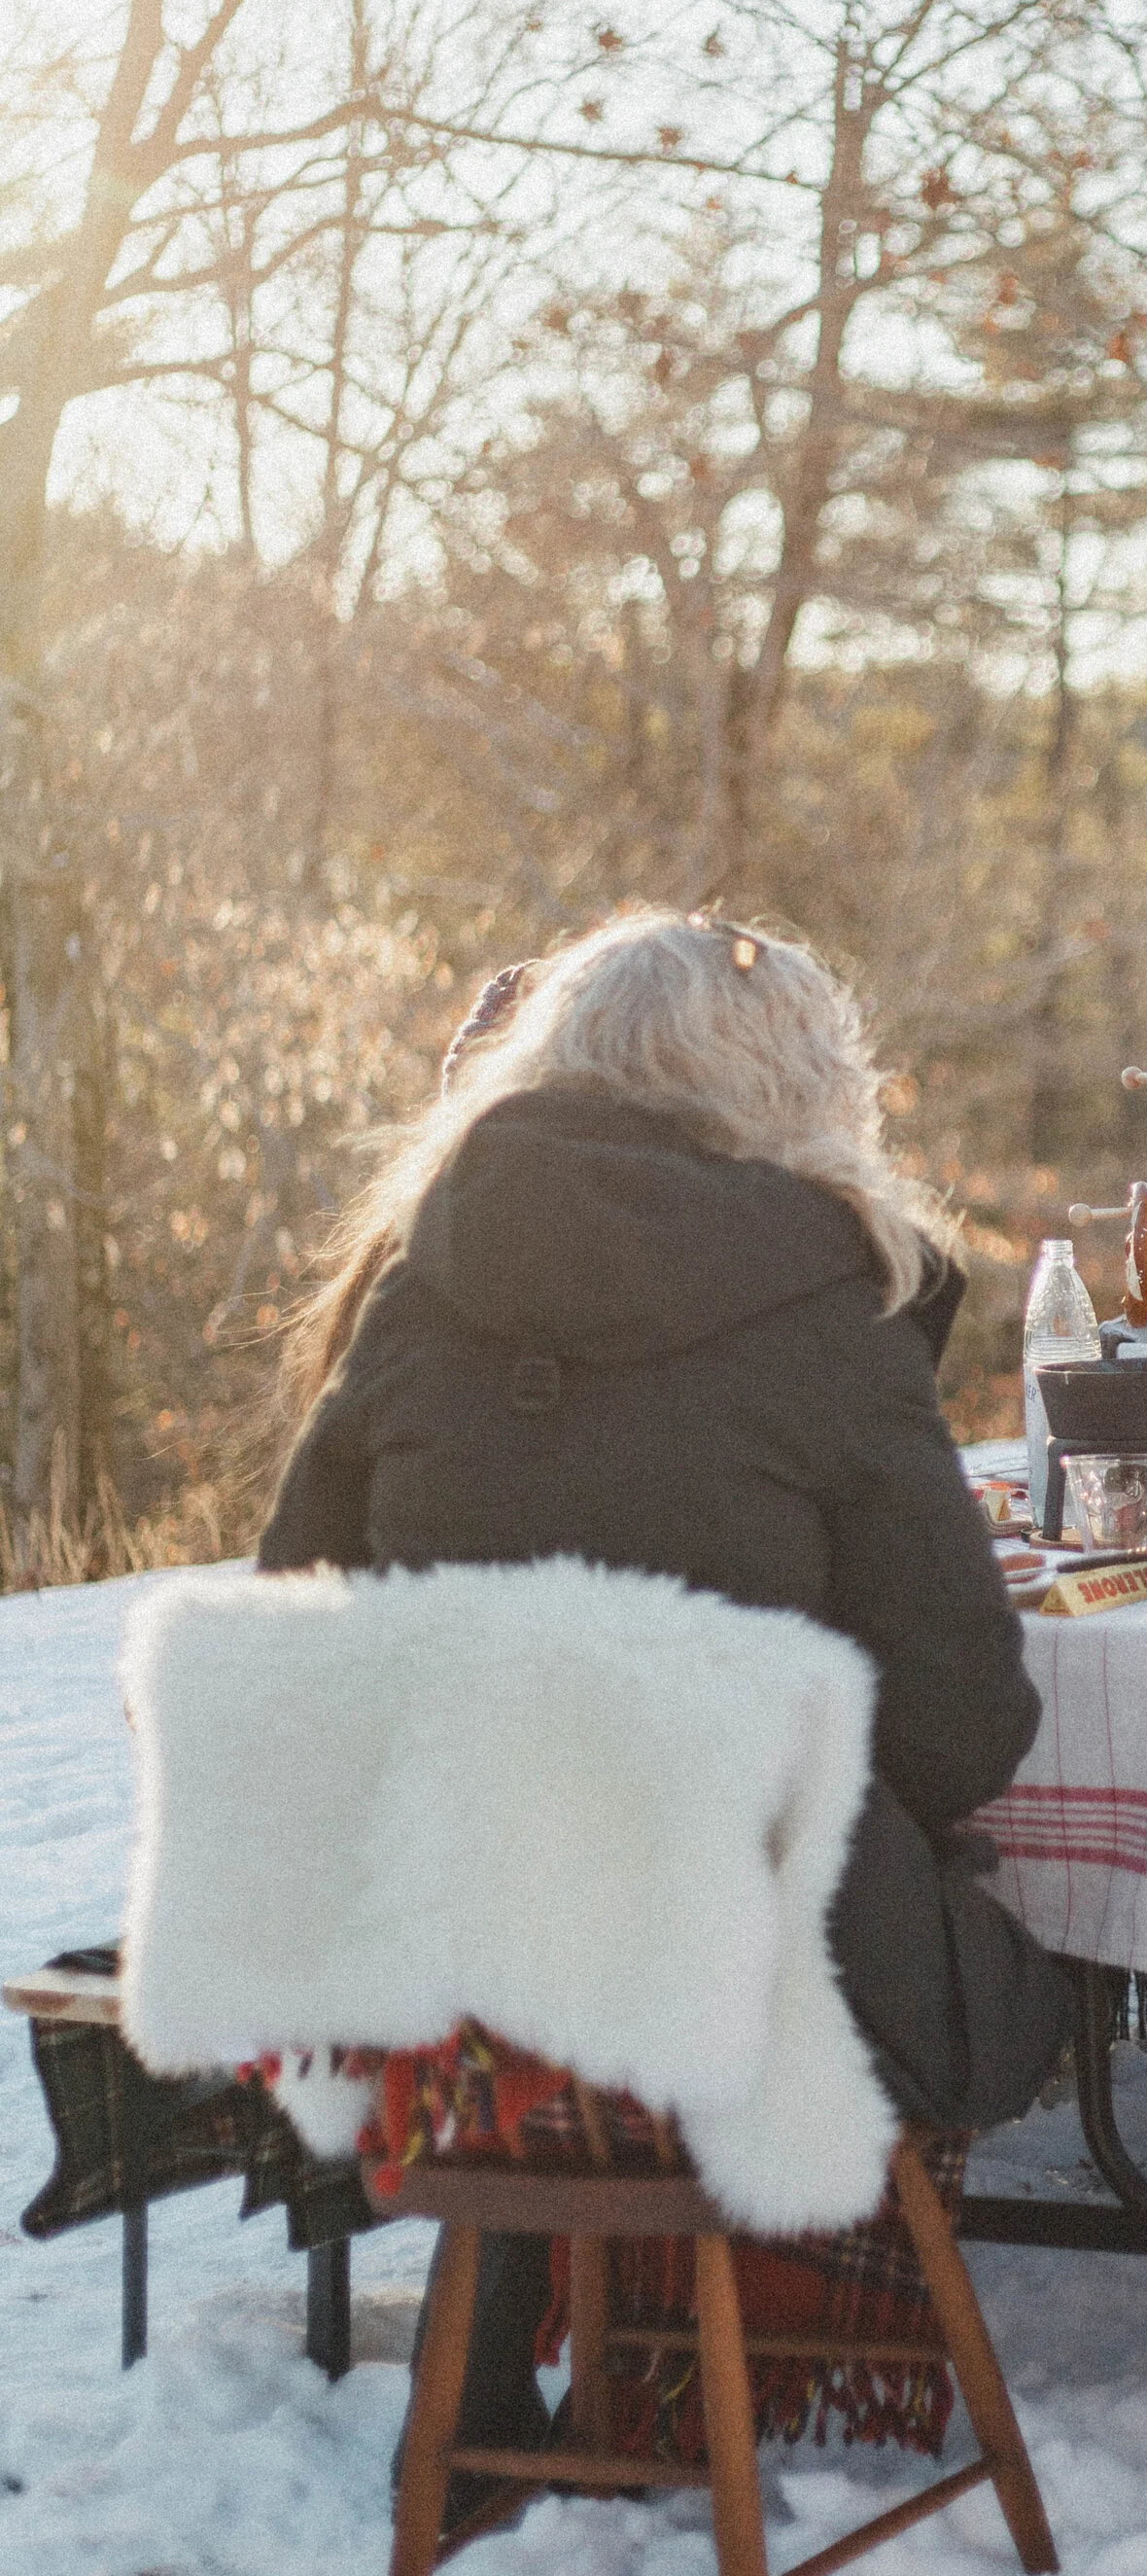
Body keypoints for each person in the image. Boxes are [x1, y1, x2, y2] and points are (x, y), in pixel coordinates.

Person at [258, 909, 1071, 2452]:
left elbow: (300, 1622)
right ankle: (755, 2355)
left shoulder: (415, 1291)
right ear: (796, 1079)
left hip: (443, 2000)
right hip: (727, 1988)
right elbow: (968, 1730)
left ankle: (516, 2369)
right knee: (1002, 1941)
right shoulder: (834, 1307)